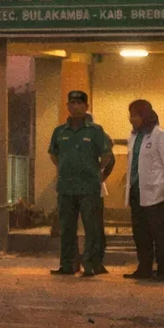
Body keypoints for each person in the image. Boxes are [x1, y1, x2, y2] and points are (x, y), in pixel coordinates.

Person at [47, 90, 115, 278]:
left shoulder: (95, 131)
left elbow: (106, 156)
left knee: (92, 228)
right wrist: (65, 168)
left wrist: (94, 171)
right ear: (67, 106)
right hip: (66, 187)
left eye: (79, 103)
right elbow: (53, 154)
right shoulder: (59, 131)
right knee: (67, 228)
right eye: (72, 103)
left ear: (86, 107)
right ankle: (68, 265)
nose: (75, 106)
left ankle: (91, 265)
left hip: (89, 187)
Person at [122, 99, 164, 282]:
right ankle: (144, 269)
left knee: (159, 233)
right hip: (136, 190)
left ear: (145, 115)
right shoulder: (133, 136)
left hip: (156, 191)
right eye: (130, 115)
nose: (131, 119)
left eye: (135, 115)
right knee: (141, 233)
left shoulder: (160, 135)